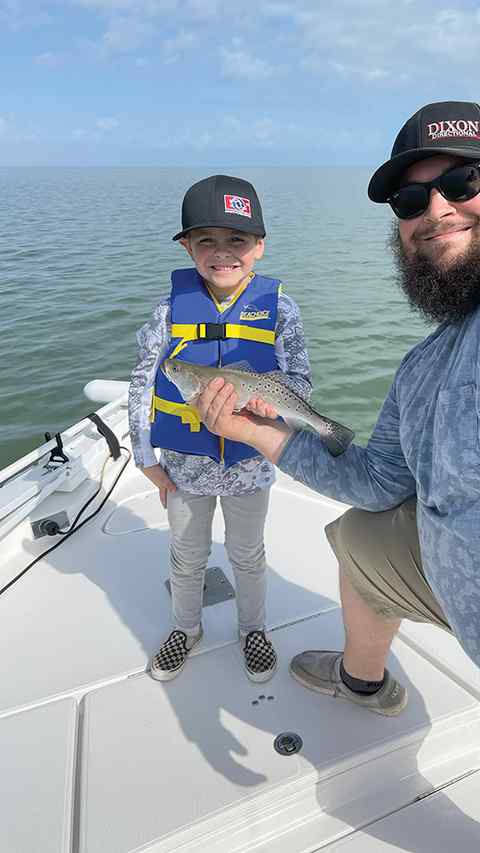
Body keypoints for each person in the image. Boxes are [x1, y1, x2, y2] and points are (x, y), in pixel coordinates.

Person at [191, 102, 480, 852]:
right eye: (410, 200)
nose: (435, 209)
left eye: (462, 182)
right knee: (363, 538)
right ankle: (364, 679)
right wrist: (258, 429)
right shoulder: (430, 360)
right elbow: (378, 483)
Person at [128, 174, 312, 684]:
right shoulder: (168, 312)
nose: (222, 253)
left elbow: (300, 382)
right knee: (185, 556)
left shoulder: (283, 309)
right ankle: (184, 628)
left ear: (259, 248)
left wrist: (273, 411)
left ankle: (253, 628)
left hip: (251, 467)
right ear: (187, 246)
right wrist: (146, 460)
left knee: (247, 555)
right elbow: (143, 385)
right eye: (206, 240)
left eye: (238, 240)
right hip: (185, 468)